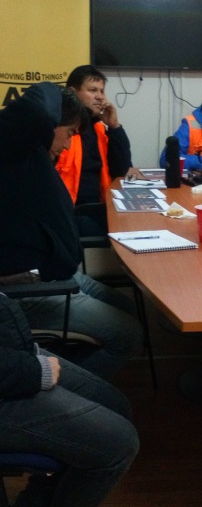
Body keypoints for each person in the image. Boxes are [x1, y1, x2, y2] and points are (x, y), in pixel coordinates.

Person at [0, 82, 142, 380]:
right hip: (32, 286)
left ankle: (69, 365)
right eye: (68, 133)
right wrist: (62, 94)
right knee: (128, 335)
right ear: (50, 125)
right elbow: (36, 109)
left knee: (126, 306)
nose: (68, 145)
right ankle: (63, 386)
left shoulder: (35, 156)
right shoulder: (14, 150)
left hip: (59, 274)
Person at [0, 291, 139, 507]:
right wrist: (34, 371)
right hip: (12, 373)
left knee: (115, 406)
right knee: (118, 443)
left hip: (11, 353)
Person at [55, 65, 132, 236]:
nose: (100, 97)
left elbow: (121, 170)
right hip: (69, 213)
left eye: (102, 91)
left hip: (99, 207)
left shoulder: (99, 128)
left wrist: (115, 127)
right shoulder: (59, 128)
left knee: (137, 222)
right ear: (73, 93)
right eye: (92, 90)